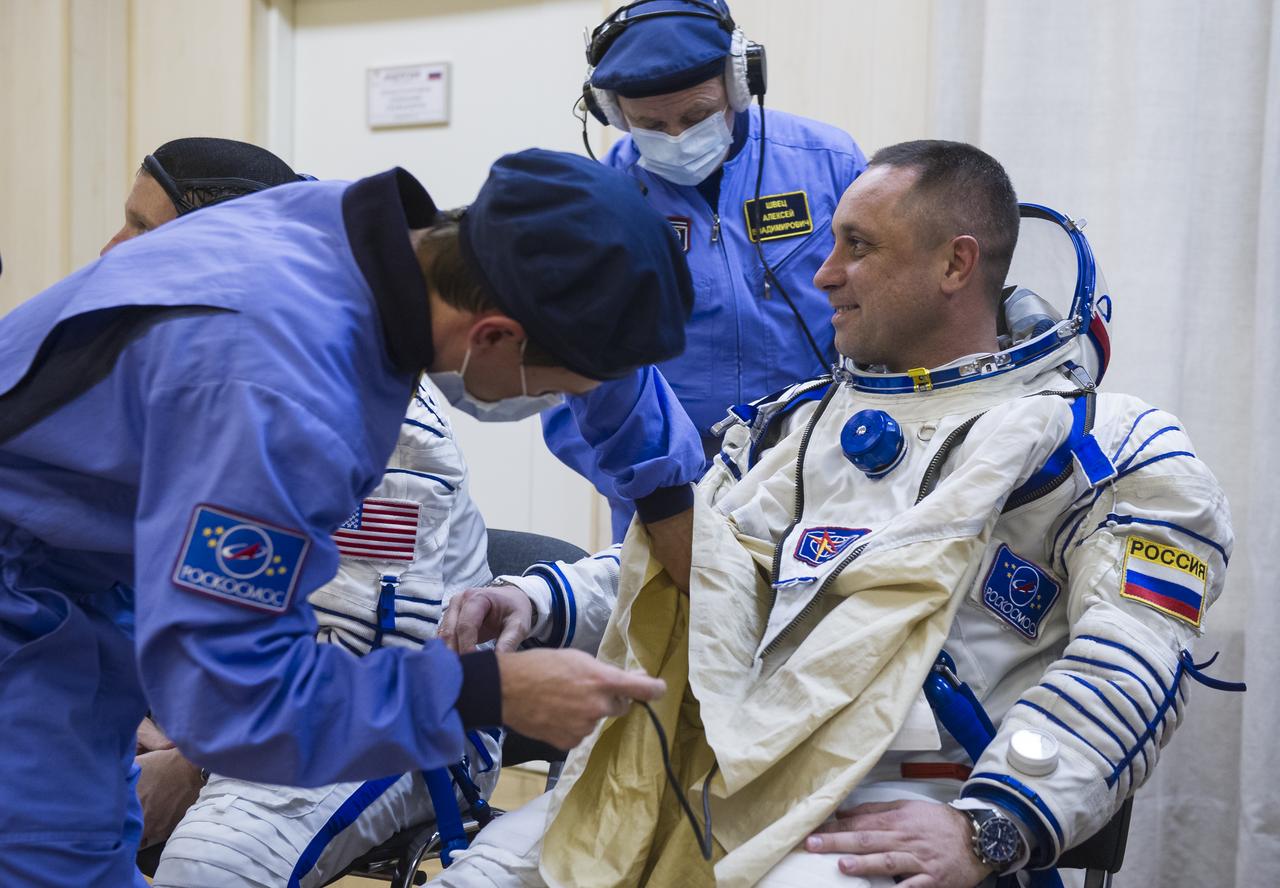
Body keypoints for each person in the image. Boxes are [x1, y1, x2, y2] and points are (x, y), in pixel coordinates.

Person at [429, 141, 1240, 888]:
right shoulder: (794, 427)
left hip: (900, 802)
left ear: (955, 265)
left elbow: (1129, 660)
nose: (822, 275)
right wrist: (537, 601)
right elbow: (698, 566)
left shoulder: (1103, 444)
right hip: (719, 768)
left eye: (858, 246)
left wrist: (992, 825)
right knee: (489, 872)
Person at [0, 147, 684, 886]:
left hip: (79, 590)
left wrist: (668, 491)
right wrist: (493, 692)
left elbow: (611, 355)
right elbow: (233, 702)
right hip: (29, 610)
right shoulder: (287, 399)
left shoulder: (350, 226)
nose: (553, 403)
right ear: (492, 336)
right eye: (557, 388)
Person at [545, 0, 869, 543]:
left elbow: (888, 310)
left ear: (737, 84)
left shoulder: (828, 162)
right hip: (674, 503)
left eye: (696, 115)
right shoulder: (600, 207)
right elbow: (565, 385)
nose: (676, 136)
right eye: (651, 124)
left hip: (826, 479)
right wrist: (653, 490)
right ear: (614, 111)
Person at [97, 137, 318, 853]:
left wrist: (196, 758)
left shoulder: (320, 401)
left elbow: (343, 630)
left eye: (144, 230)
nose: (111, 249)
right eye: (123, 218)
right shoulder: (142, 360)